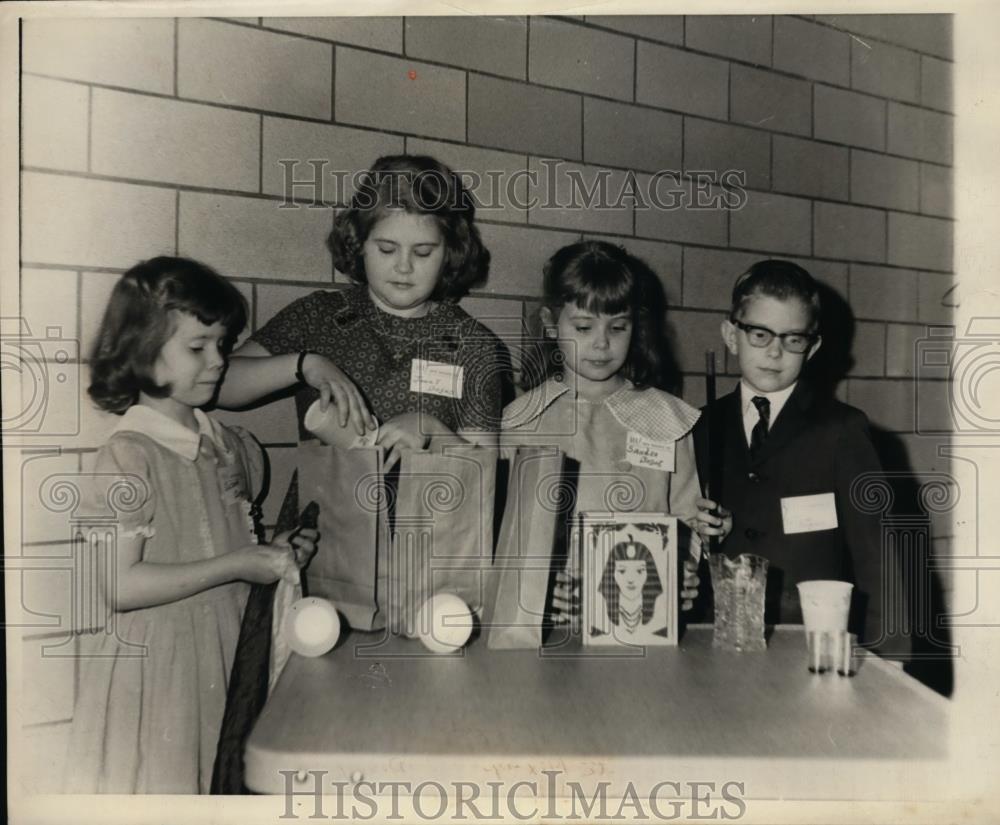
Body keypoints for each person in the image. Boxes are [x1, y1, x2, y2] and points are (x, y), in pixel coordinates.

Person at [211, 154, 508, 792]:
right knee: (308, 735)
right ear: (358, 242)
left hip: (432, 563)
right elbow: (220, 384)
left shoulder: (477, 345)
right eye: (386, 247)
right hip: (320, 552)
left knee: (421, 741)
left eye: (423, 250)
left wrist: (434, 432)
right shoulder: (320, 317)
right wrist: (304, 364)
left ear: (452, 250)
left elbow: (484, 474)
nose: (403, 267)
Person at [65, 257, 317, 793]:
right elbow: (118, 586)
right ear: (140, 349)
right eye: (198, 347)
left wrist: (273, 550)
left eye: (223, 345)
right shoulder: (128, 458)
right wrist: (235, 565)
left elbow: (229, 543)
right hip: (161, 668)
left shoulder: (228, 446)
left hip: (227, 648)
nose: (219, 362)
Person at [500, 240, 722, 628]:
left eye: (618, 327)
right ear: (551, 325)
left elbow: (687, 517)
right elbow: (501, 537)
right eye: (584, 327)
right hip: (550, 626)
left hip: (645, 625)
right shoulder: (519, 422)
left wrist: (684, 570)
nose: (602, 343)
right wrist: (536, 584)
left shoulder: (667, 417)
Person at [693, 259, 889, 646]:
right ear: (731, 335)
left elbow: (878, 557)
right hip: (717, 634)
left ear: (812, 347)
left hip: (811, 637)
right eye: (760, 335)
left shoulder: (841, 430)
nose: (775, 353)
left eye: (793, 339)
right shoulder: (698, 425)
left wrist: (891, 659)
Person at [593, 533, 668, 642]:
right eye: (622, 571)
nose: (631, 579)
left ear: (649, 573)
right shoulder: (599, 624)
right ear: (612, 573)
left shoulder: (661, 624)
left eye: (639, 571)